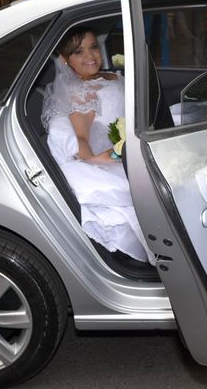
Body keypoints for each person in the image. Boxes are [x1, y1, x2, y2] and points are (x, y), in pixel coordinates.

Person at [41, 26, 154, 264]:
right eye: (78, 52)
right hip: (120, 156)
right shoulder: (82, 92)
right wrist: (97, 158)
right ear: (65, 60)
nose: (90, 57)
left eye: (93, 47)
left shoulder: (112, 76)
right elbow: (81, 138)